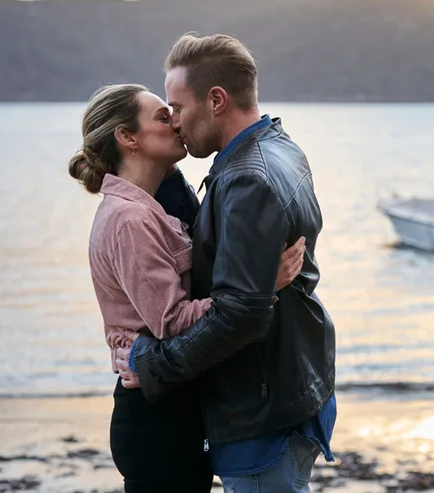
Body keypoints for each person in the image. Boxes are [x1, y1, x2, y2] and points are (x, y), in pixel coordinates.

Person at [115, 33, 337, 492]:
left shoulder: (246, 180)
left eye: (177, 107)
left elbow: (240, 316)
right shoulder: (278, 147)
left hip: (260, 410)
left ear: (216, 100)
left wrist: (151, 363)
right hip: (288, 384)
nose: (174, 122)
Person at [68, 83, 306, 493]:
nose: (176, 122)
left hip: (175, 402)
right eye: (162, 117)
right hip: (154, 418)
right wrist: (261, 286)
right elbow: (173, 321)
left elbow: (204, 269)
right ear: (128, 137)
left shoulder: (161, 201)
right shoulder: (130, 220)